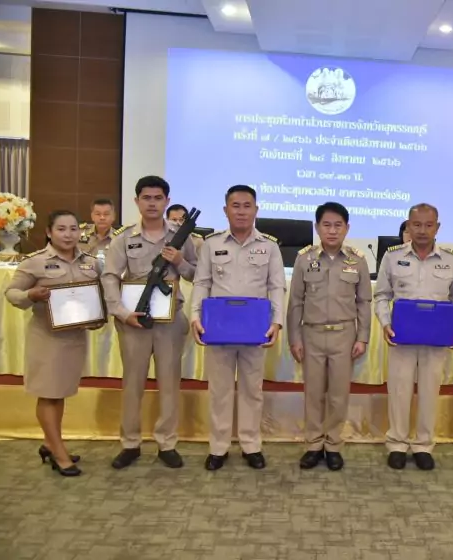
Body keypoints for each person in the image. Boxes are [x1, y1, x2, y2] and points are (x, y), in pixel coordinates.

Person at [101, 175, 198, 470]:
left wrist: (180, 261)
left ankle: (167, 443)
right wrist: (121, 312)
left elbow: (198, 274)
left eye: (158, 198)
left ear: (167, 201)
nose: (152, 203)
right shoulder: (124, 238)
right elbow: (110, 276)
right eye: (146, 198)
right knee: (133, 384)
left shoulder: (183, 236)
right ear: (137, 201)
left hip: (170, 321)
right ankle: (130, 443)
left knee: (169, 383)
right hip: (134, 321)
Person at [191, 185, 285, 471]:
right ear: (225, 210)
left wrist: (276, 321)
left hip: (254, 328)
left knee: (251, 390)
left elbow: (276, 286)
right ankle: (218, 447)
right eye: (235, 205)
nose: (241, 211)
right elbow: (202, 282)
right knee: (219, 390)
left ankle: (250, 445)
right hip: (218, 328)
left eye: (247, 206)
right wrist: (195, 316)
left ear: (256, 210)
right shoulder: (211, 244)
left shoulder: (270, 246)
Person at [4, 210, 103, 476]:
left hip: (75, 339)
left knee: (60, 393)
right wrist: (31, 294)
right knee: (48, 394)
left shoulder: (91, 263)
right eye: (61, 229)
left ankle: (50, 444)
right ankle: (59, 454)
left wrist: (97, 317)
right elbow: (11, 293)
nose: (68, 234)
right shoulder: (35, 262)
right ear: (49, 232)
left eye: (73, 229)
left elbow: (99, 297)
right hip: (46, 338)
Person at [374, 203, 453, 471]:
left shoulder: (452, 260)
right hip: (402, 336)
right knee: (399, 391)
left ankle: (424, 445)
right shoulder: (393, 257)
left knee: (429, 392)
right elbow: (382, 295)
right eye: (417, 225)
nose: (423, 230)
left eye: (428, 225)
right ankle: (397, 444)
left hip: (436, 338)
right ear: (408, 226)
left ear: (437, 227)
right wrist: (386, 323)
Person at [287, 202, 371, 471]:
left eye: (338, 225)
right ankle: (313, 445)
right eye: (326, 225)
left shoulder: (357, 260)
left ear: (347, 228)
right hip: (311, 334)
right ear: (317, 227)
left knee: (338, 395)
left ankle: (333, 445)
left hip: (344, 336)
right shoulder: (304, 259)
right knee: (313, 394)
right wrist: (294, 338)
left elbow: (364, 302)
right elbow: (296, 302)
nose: (332, 231)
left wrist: (362, 337)